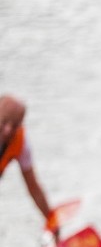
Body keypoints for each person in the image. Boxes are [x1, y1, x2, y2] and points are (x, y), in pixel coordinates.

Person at [0, 94, 59, 237]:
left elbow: (34, 188)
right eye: (3, 122)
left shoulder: (21, 143)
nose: (8, 130)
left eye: (14, 125)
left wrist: (51, 221)